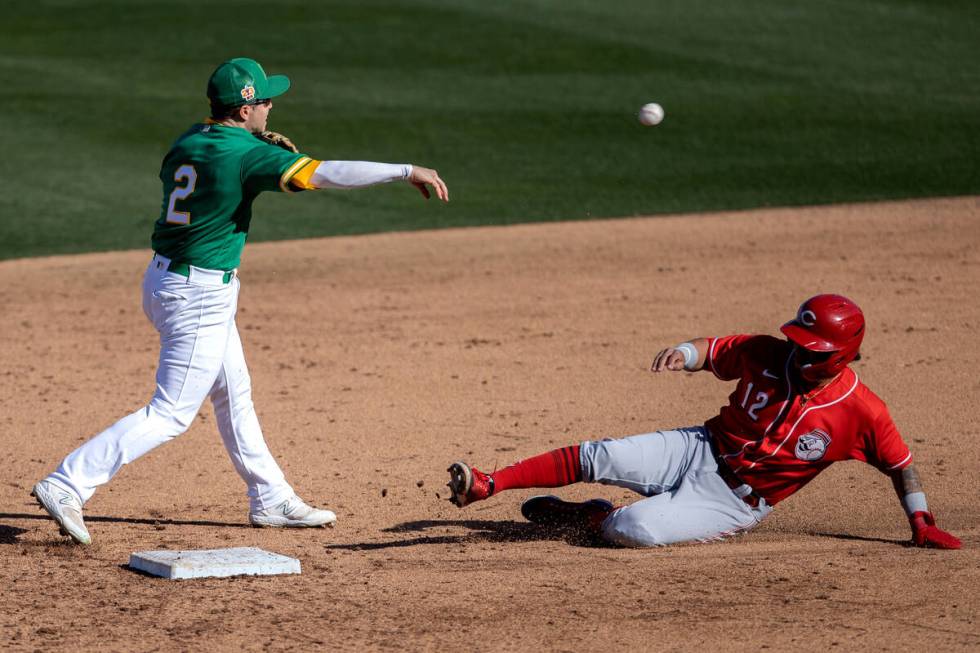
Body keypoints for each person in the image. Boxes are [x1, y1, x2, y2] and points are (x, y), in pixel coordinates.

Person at [32, 57, 449, 545]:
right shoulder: (247, 154)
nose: (272, 107)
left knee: (234, 391)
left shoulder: (189, 140)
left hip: (167, 280)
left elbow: (210, 174)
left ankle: (270, 497)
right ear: (245, 107)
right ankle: (67, 484)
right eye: (265, 99)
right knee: (171, 413)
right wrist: (404, 170)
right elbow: (326, 173)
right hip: (198, 295)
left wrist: (247, 153)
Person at [446, 294, 960, 549]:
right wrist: (683, 352)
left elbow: (901, 465)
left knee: (636, 530)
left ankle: (591, 516)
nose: (798, 352)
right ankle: (490, 484)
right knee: (601, 454)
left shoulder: (863, 411)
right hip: (700, 446)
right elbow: (713, 351)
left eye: (811, 349)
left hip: (732, 501)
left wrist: (919, 523)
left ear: (842, 354)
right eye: (798, 342)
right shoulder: (766, 352)